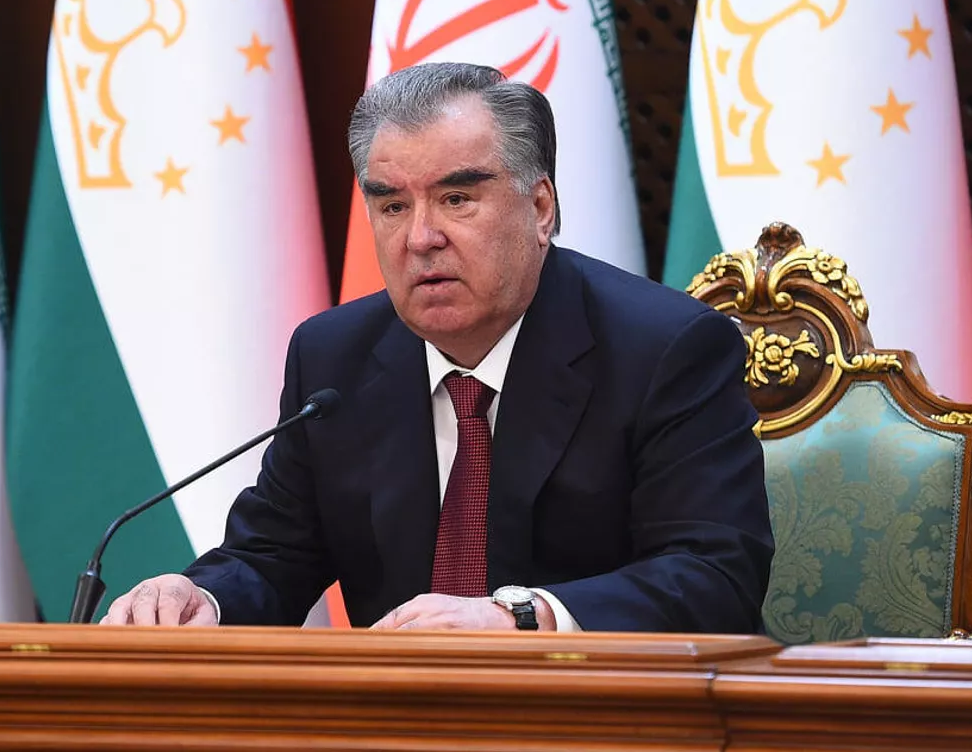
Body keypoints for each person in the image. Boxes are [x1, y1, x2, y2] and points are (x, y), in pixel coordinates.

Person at [103, 63, 771, 632]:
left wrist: (520, 618)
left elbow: (715, 575)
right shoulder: (334, 358)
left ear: (540, 208)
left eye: (456, 198)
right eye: (393, 206)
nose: (421, 237)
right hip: (396, 719)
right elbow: (272, 556)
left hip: (596, 715)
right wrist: (204, 598)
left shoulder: (663, 348)